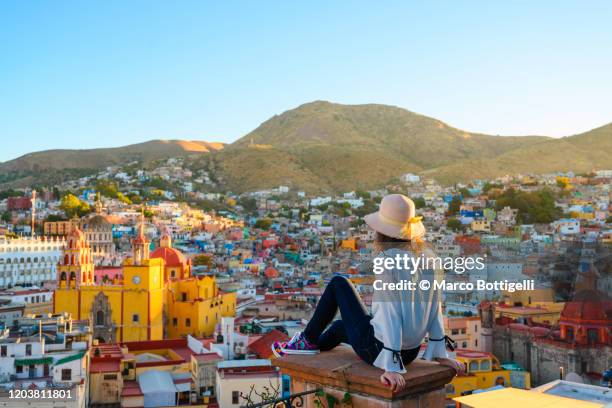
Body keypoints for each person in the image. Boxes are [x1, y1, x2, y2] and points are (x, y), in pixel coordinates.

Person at [272, 194, 465, 392]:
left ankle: (307, 340)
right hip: (411, 353)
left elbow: (392, 313)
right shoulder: (430, 260)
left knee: (339, 283)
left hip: (382, 351)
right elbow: (435, 309)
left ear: (381, 231)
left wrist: (390, 365)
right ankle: (310, 347)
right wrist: (442, 354)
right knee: (340, 327)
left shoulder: (388, 262)